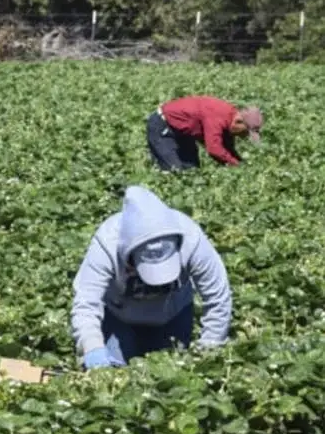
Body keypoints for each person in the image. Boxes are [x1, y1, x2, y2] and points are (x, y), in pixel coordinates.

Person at [69, 185, 233, 371]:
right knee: (116, 378)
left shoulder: (192, 240)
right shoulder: (107, 244)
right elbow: (86, 303)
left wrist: (208, 352)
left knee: (170, 375)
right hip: (118, 317)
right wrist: (92, 347)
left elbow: (218, 298)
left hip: (174, 315)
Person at [147, 95, 263, 171]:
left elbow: (227, 148)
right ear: (238, 121)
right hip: (163, 125)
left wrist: (241, 165)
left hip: (184, 133)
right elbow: (214, 149)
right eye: (245, 132)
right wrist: (236, 166)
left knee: (192, 171)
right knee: (173, 170)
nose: (243, 136)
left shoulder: (230, 120)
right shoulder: (217, 115)